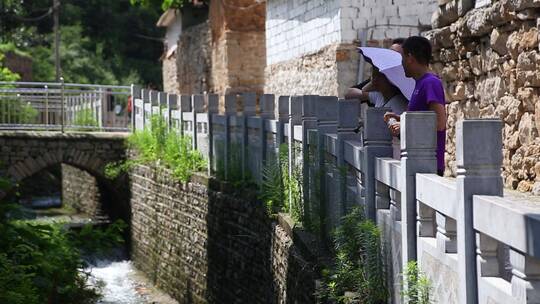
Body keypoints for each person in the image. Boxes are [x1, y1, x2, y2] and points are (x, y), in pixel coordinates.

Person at [384, 36, 447, 176]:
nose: (402, 65)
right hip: (416, 161)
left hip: (429, 164)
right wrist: (401, 119)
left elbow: (439, 123)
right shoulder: (419, 83)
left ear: (410, 58)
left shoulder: (431, 83)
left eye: (402, 60)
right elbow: (422, 117)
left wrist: (405, 126)